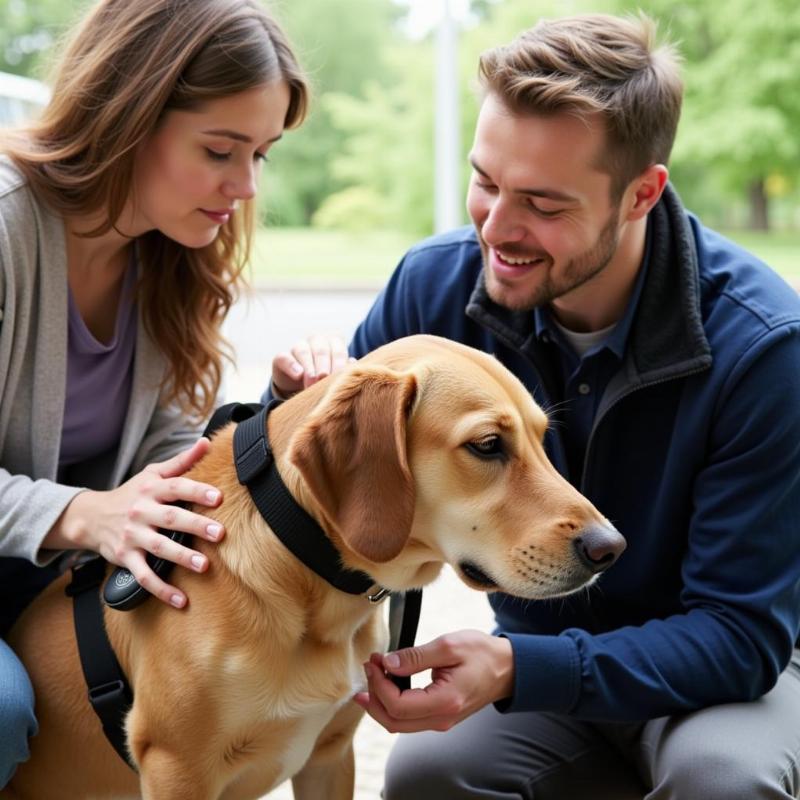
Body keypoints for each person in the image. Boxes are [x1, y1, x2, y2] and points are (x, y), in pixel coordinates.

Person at [270, 13, 800, 799]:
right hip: (543, 679)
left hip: (721, 683)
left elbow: (740, 636)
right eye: (486, 182)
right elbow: (334, 491)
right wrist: (287, 409)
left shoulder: (765, 348)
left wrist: (521, 667)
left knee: (721, 779)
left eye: (544, 205)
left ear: (641, 194)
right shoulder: (436, 287)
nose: (498, 230)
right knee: (426, 772)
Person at [0, 0, 308, 788]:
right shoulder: (6, 227)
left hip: (43, 581)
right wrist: (77, 513)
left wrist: (272, 424)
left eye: (261, 155)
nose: (243, 185)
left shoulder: (171, 256)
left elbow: (165, 465)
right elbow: (105, 510)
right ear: (131, 114)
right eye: (219, 150)